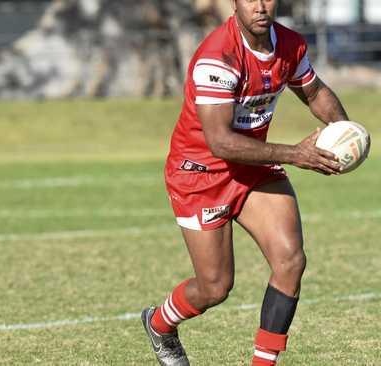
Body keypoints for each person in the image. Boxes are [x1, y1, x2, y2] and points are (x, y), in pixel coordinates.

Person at [140, 0, 350, 365]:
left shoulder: (289, 44)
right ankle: (159, 324)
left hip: (254, 166)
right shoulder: (217, 57)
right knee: (215, 287)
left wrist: (346, 132)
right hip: (201, 174)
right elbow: (219, 141)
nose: (260, 5)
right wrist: (295, 154)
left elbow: (314, 93)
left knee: (290, 261)